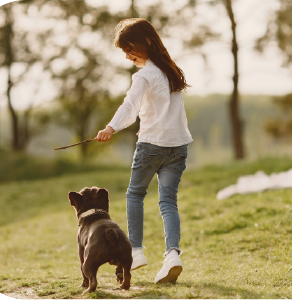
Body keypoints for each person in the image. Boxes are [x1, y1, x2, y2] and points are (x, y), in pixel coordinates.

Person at [96, 18, 193, 284]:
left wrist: (110, 128)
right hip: (178, 146)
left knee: (135, 195)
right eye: (124, 51)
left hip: (151, 147)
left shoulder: (144, 75)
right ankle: (173, 254)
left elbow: (130, 106)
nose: (128, 56)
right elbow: (164, 111)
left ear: (147, 42)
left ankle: (136, 251)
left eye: (130, 49)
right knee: (168, 202)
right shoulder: (172, 71)